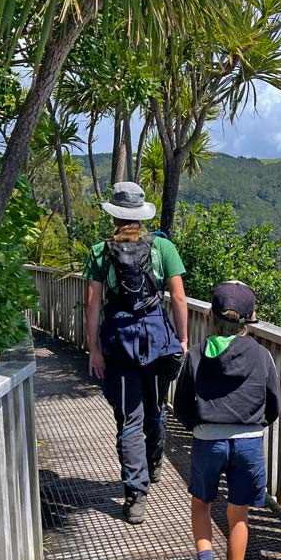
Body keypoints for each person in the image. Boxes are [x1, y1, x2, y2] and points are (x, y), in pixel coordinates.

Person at [173, 281, 280, 560]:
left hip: (208, 441)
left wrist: (200, 427)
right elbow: (273, 404)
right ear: (250, 320)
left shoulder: (196, 354)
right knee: (239, 516)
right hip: (248, 442)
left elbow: (182, 404)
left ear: (211, 316)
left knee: (201, 505)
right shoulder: (262, 356)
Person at [84, 181, 188, 525]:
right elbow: (179, 298)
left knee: (129, 418)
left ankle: (135, 494)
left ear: (113, 214)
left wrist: (95, 349)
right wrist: (182, 340)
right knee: (155, 406)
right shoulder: (162, 247)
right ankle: (155, 463)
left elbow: (93, 304)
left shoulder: (100, 252)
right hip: (157, 340)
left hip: (119, 342)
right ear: (141, 216)